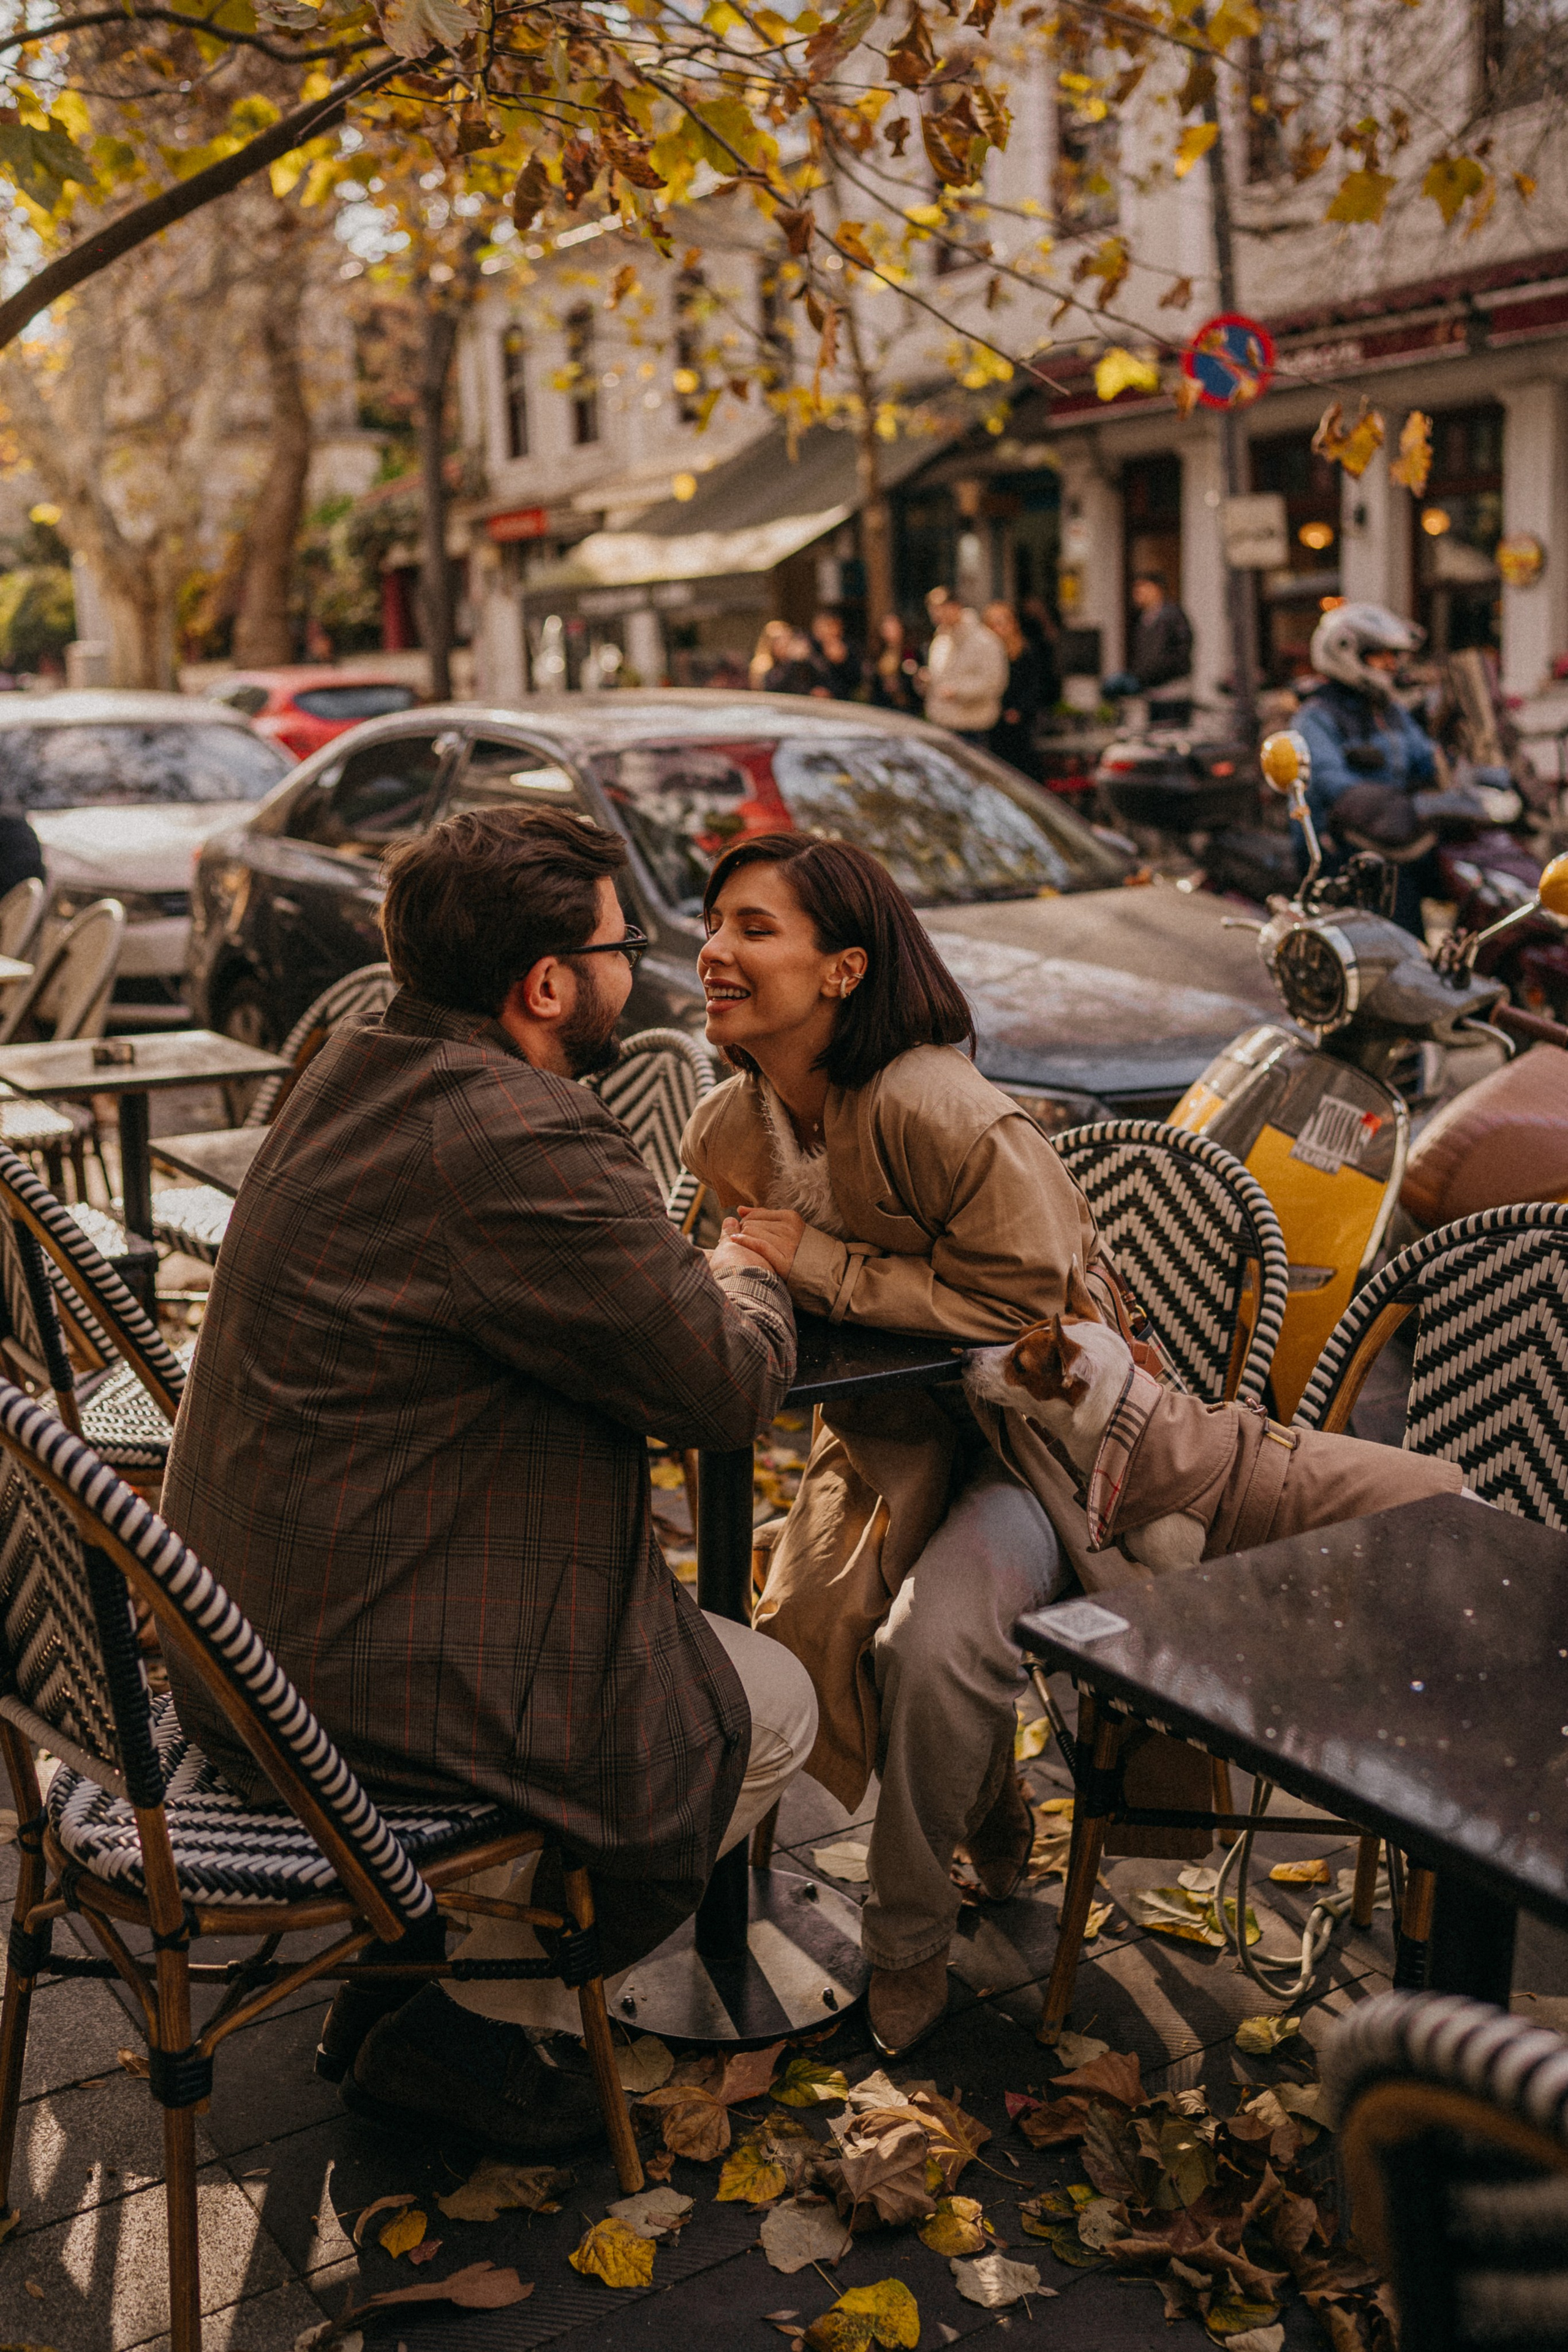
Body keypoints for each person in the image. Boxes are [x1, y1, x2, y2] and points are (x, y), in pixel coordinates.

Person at [680, 832, 1461, 2055]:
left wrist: (817, 1264)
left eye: (752, 928)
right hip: (886, 1442)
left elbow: (1025, 1315)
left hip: (1036, 1447)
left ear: (842, 970)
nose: (714, 950)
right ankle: (990, 1828)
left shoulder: (939, 1106)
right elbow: (721, 1257)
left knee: (930, 1642)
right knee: (806, 1621)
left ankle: (905, 1941)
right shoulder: (730, 1123)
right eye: (713, 920)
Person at [159, 804, 815, 2155]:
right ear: (547, 985)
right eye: (624, 943)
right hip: (333, 1690)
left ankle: (413, 1969)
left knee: (677, 1658)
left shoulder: (351, 1061)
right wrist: (755, 1268)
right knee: (770, 1705)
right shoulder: (516, 1132)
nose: (645, 964)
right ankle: (468, 2022)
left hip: (228, 1637)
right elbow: (723, 1389)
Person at [1294, 602, 1436, 937]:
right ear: (1346, 653)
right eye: (1380, 655)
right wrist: (1388, 801)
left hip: (1395, 834)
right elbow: (1332, 783)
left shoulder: (1391, 712)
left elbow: (1425, 756)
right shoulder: (1316, 715)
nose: (1391, 664)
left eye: (1394, 656)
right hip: (1339, 845)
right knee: (1398, 918)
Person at [1103, 569, 1194, 717]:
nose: (1137, 593)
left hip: (1172, 692)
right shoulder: (1144, 619)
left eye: (1141, 587)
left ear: (1156, 589)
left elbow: (1179, 653)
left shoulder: (1172, 616)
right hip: (1153, 692)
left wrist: (1145, 676)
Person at [922, 587, 1008, 743]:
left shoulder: (984, 641)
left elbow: (993, 682)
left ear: (956, 607)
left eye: (941, 609)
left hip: (972, 729)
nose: (937, 615)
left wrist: (958, 691)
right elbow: (939, 679)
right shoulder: (941, 640)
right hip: (942, 724)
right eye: (933, 610)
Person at [983, 601, 1044, 777]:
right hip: (993, 717)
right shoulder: (987, 653)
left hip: (1017, 720)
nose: (998, 628)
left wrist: (1020, 709)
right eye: (993, 624)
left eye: (1002, 622)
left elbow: (1035, 685)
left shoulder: (1025, 651)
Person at [867, 612, 919, 712]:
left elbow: (913, 675)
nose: (890, 632)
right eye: (887, 629)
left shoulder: (910, 652)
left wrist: (900, 685)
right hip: (882, 704)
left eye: (894, 628)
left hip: (904, 706)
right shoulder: (878, 652)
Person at [809, 609, 861, 701]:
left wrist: (842, 661)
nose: (821, 630)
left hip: (841, 703)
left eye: (827, 626)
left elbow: (855, 681)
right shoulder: (813, 648)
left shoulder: (850, 649)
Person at [749, 619, 791, 690]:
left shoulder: (792, 663)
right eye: (781, 641)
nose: (785, 645)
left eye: (788, 640)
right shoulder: (762, 665)